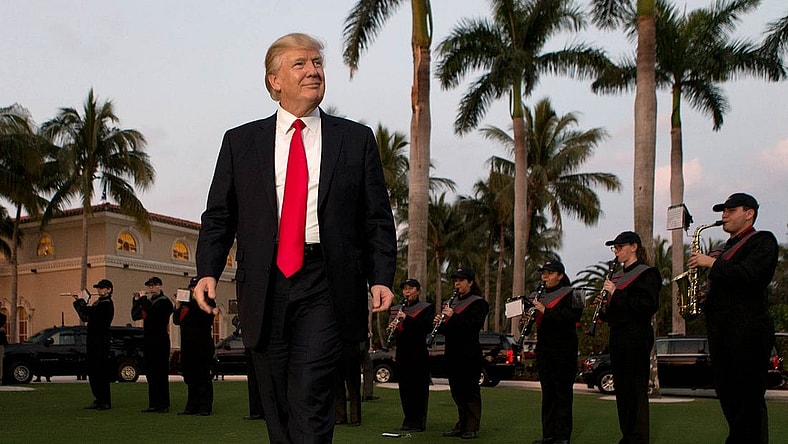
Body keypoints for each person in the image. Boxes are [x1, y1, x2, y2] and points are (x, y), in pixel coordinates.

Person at [191, 32, 397, 444]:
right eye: (300, 64)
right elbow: (219, 216)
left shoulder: (355, 139)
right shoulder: (240, 142)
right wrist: (207, 270)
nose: (314, 71)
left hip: (326, 281)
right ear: (275, 81)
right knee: (276, 403)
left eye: (318, 63)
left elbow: (376, 217)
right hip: (264, 285)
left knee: (310, 394)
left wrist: (380, 276)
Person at [688, 193, 778, 443]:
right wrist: (707, 299)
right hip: (722, 334)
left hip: (748, 332)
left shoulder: (763, 240)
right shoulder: (725, 248)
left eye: (730, 210)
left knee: (748, 402)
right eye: (722, 211)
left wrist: (711, 264)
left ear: (749, 213)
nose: (724, 215)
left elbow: (752, 275)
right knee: (730, 399)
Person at [598, 231, 661, 444]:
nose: (616, 251)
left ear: (633, 247)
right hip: (618, 336)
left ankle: (639, 438)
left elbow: (647, 305)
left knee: (635, 389)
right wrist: (602, 308)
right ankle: (627, 436)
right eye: (614, 248)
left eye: (619, 247)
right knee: (622, 390)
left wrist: (617, 293)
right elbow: (614, 312)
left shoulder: (647, 274)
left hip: (637, 336)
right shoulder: (616, 276)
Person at [529, 262, 584, 444]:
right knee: (548, 394)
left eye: (549, 273)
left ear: (560, 275)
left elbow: (574, 316)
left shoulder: (576, 293)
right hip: (544, 350)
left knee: (563, 394)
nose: (544, 277)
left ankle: (562, 436)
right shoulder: (539, 295)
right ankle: (548, 434)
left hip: (564, 351)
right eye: (543, 273)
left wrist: (545, 310)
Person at [435, 267, 489, 440]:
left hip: (469, 353)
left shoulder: (478, 303)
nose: (457, 283)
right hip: (453, 352)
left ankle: (471, 426)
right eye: (455, 280)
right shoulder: (452, 302)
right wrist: (440, 322)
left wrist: (453, 316)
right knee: (456, 390)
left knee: (470, 390)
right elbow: (447, 330)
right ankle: (462, 423)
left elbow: (473, 326)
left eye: (461, 280)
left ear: (470, 282)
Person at [388, 278, 434, 432]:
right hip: (402, 353)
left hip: (418, 353)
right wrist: (391, 330)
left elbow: (425, 327)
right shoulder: (396, 309)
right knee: (405, 388)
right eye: (405, 289)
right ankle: (408, 419)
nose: (407, 292)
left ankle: (418, 422)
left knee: (418, 388)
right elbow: (396, 333)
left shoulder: (426, 308)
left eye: (411, 288)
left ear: (418, 291)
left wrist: (406, 319)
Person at [172, 277, 215, 416]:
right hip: (188, 345)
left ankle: (205, 407)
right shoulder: (187, 305)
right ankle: (191, 406)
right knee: (190, 377)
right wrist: (178, 306)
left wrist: (189, 302)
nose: (192, 290)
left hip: (202, 346)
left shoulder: (208, 302)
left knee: (203, 377)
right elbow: (176, 320)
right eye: (191, 288)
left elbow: (203, 316)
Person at [132, 276, 174, 413]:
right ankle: (153, 403)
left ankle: (163, 404)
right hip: (149, 340)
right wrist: (136, 301)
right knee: (150, 373)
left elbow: (153, 314)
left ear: (160, 286)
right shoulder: (149, 301)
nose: (151, 288)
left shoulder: (164, 302)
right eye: (149, 286)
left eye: (153, 285)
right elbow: (136, 315)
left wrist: (143, 300)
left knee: (160, 373)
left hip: (160, 340)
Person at [72, 279, 115, 410]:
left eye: (102, 288)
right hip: (93, 340)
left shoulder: (106, 303)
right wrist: (78, 302)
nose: (99, 290)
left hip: (101, 340)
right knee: (93, 370)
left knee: (101, 370)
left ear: (109, 290)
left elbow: (89, 311)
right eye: (98, 288)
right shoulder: (99, 303)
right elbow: (85, 316)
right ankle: (98, 398)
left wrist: (81, 301)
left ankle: (105, 400)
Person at [334, 339, 362, 426]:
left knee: (353, 387)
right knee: (339, 386)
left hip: (351, 349)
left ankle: (354, 417)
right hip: (339, 351)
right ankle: (341, 416)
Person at [0, 310, 7, 385]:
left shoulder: (3, 317)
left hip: (1, 343)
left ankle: (0, 379)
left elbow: (4, 329)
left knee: (0, 361)